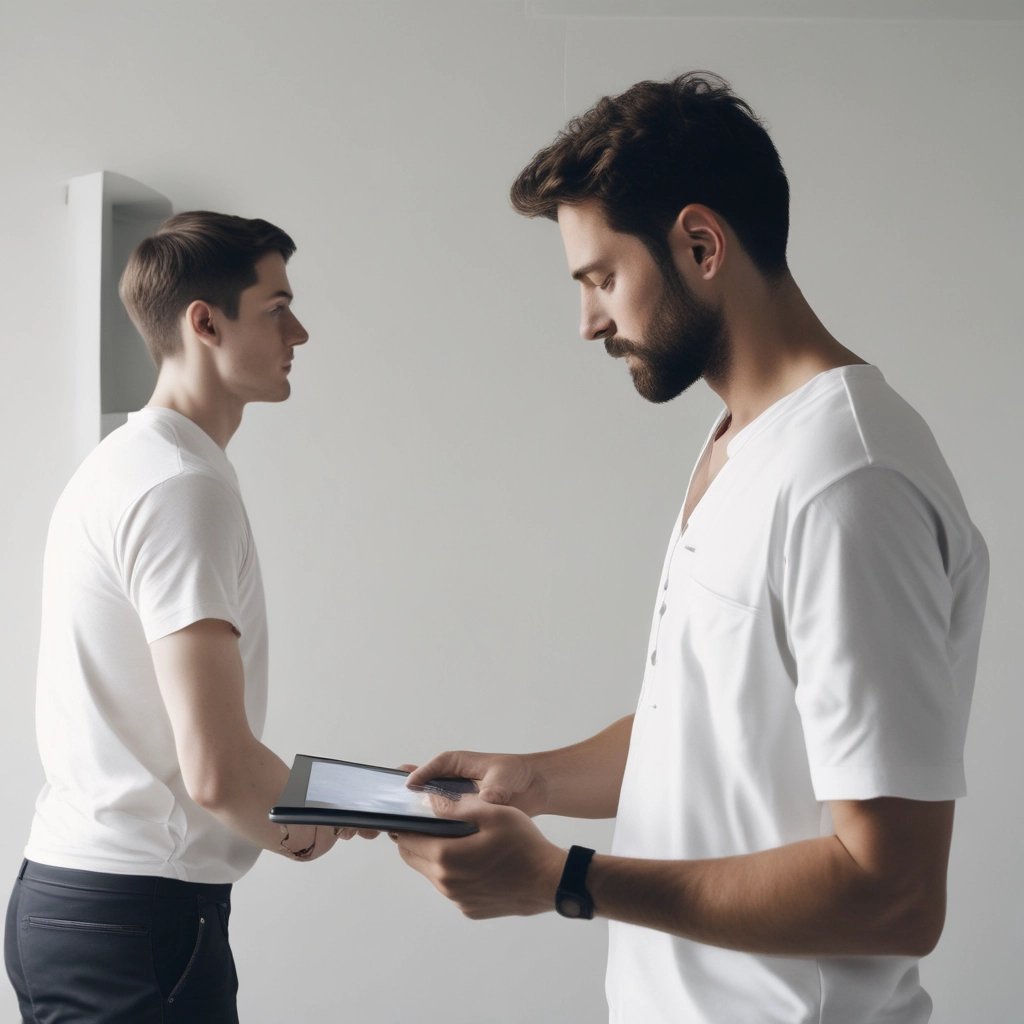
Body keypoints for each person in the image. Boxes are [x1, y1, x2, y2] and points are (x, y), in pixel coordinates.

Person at [393, 73, 990, 1024]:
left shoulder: (849, 480)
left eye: (601, 278)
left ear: (700, 245)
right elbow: (717, 730)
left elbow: (897, 894)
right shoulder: (738, 441)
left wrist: (569, 881)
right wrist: (535, 782)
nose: (588, 320)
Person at [4, 212, 363, 1023]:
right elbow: (219, 772)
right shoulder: (179, 488)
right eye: (276, 307)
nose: (299, 330)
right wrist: (303, 828)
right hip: (135, 919)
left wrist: (327, 799)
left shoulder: (127, 465)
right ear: (205, 322)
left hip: (82, 900)